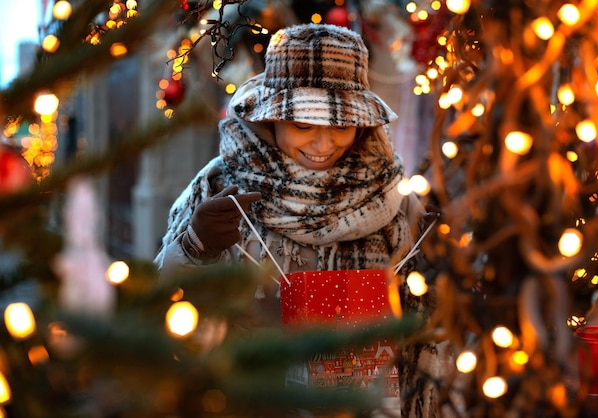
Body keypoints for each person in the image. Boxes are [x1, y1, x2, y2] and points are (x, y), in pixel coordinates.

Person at [154, 23, 434, 416]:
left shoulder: (393, 196)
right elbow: (165, 316)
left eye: (340, 125)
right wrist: (193, 249)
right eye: (302, 125)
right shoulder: (220, 188)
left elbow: (425, 327)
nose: (323, 146)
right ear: (270, 119)